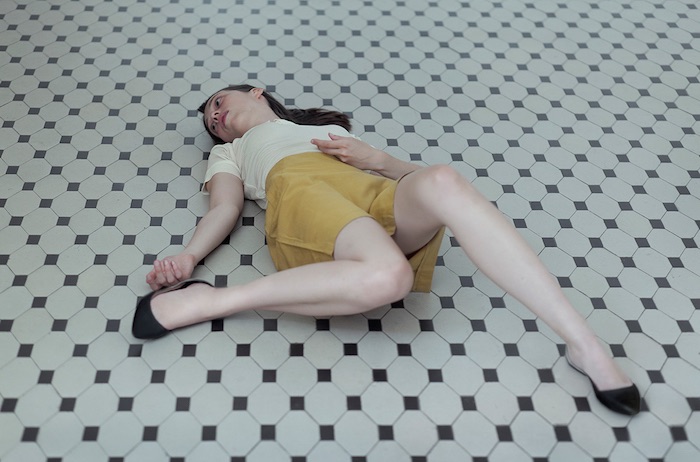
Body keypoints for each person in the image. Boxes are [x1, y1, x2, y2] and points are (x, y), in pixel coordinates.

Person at [133, 84, 641, 416]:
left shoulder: (323, 130)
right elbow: (224, 209)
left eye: (217, 103)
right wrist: (189, 257)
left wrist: (373, 157)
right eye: (211, 122)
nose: (215, 117)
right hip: (303, 194)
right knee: (390, 277)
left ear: (256, 92)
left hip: (367, 191)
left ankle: (583, 343)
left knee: (443, 180)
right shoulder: (231, 152)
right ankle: (212, 298)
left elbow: (409, 180)